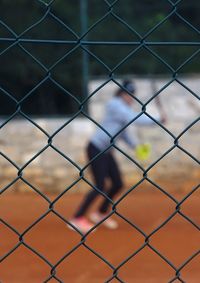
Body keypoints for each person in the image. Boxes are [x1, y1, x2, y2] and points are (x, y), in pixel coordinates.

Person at [69, 80, 166, 233]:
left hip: (107, 151)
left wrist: (137, 147)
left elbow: (124, 133)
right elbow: (133, 118)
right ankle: (77, 219)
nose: (130, 98)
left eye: (132, 95)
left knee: (118, 183)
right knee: (100, 186)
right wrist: (157, 120)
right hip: (96, 148)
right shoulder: (115, 105)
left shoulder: (123, 110)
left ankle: (100, 213)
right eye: (127, 94)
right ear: (121, 94)